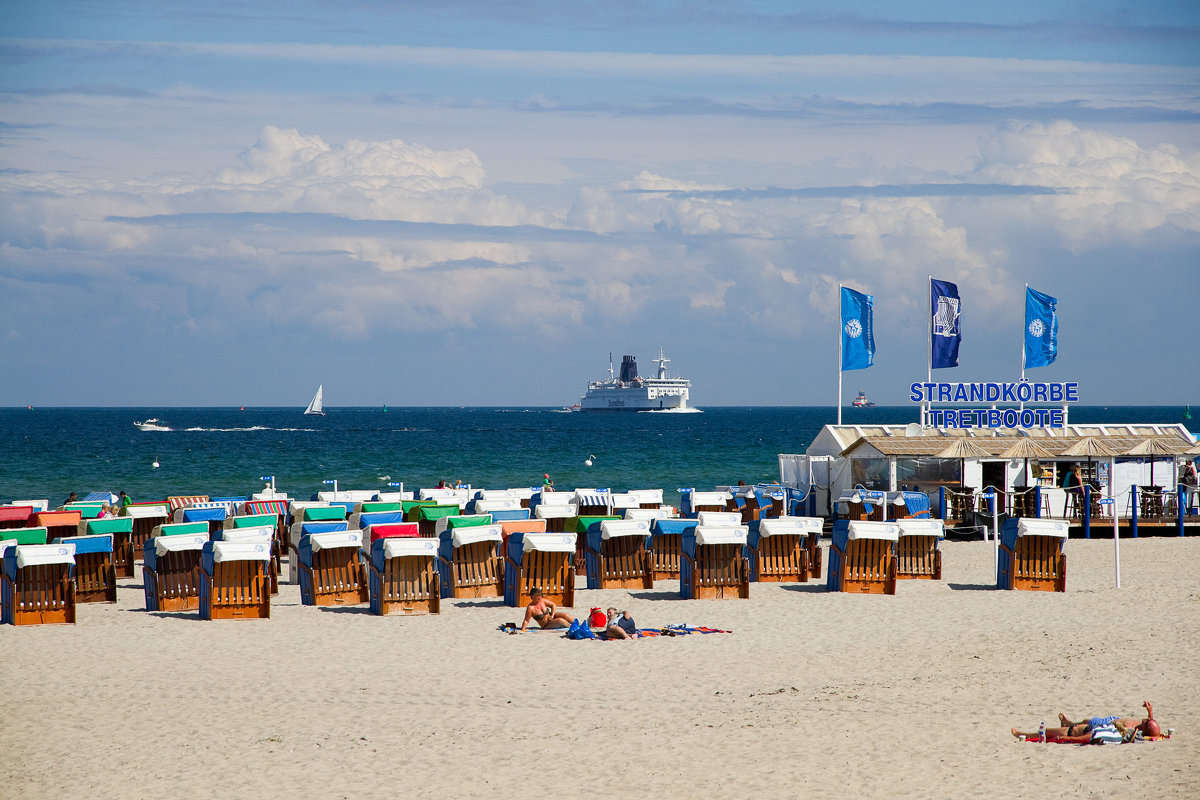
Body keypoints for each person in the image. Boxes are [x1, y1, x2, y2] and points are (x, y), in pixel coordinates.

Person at [1012, 701, 1160, 742]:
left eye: (1148, 720)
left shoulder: (1130, 729)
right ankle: (1069, 724)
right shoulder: (1140, 728)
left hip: (1094, 728)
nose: (1148, 718)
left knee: (1047, 732)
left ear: (1145, 728)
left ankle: (1023, 734)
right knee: (1084, 722)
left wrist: (1066, 738)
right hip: (1096, 726)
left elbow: (1091, 736)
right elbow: (1153, 729)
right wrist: (1150, 712)